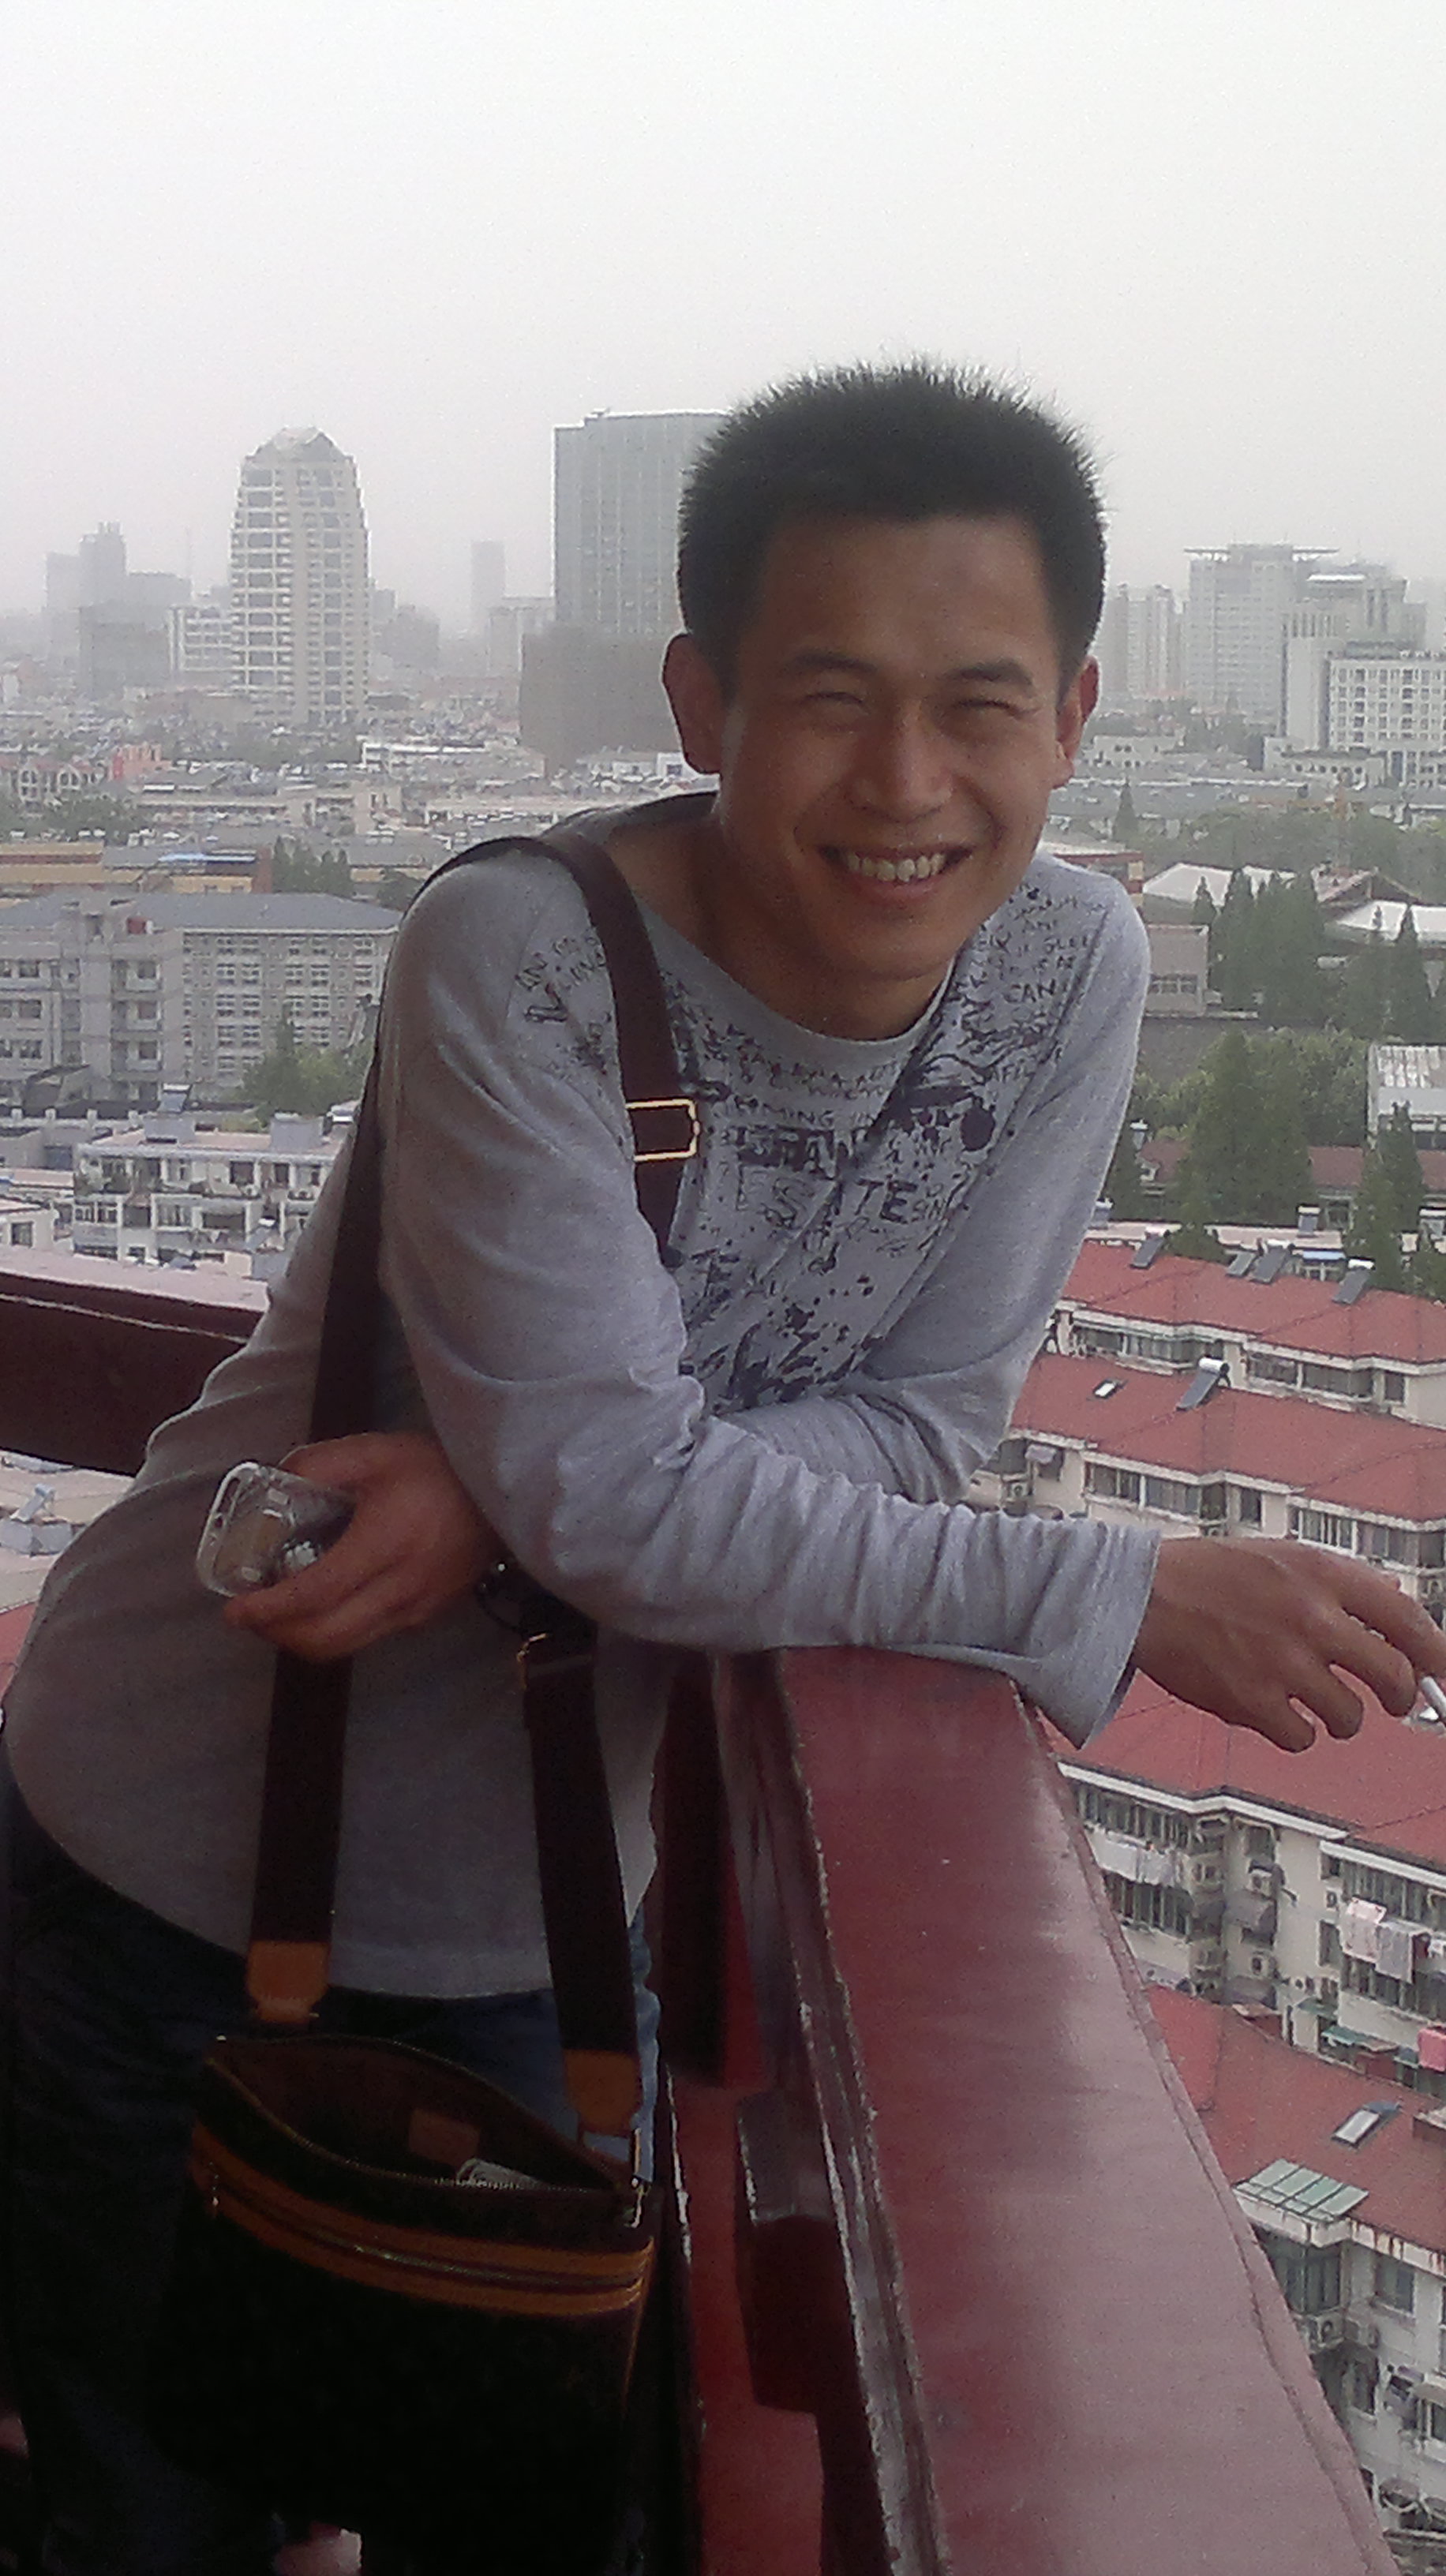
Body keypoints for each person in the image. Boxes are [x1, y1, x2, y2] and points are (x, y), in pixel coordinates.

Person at [3, 361, 1443, 2576]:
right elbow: (622, 1499)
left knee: (521, 2503)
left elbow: (920, 1425)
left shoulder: (1065, 969)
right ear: (702, 701)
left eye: (978, 704)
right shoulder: (521, 950)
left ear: (1074, 715)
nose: (907, 783)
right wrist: (1108, 1588)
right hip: (168, 1848)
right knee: (145, 2517)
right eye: (830, 698)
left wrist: (523, 1493)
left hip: (539, 1910)